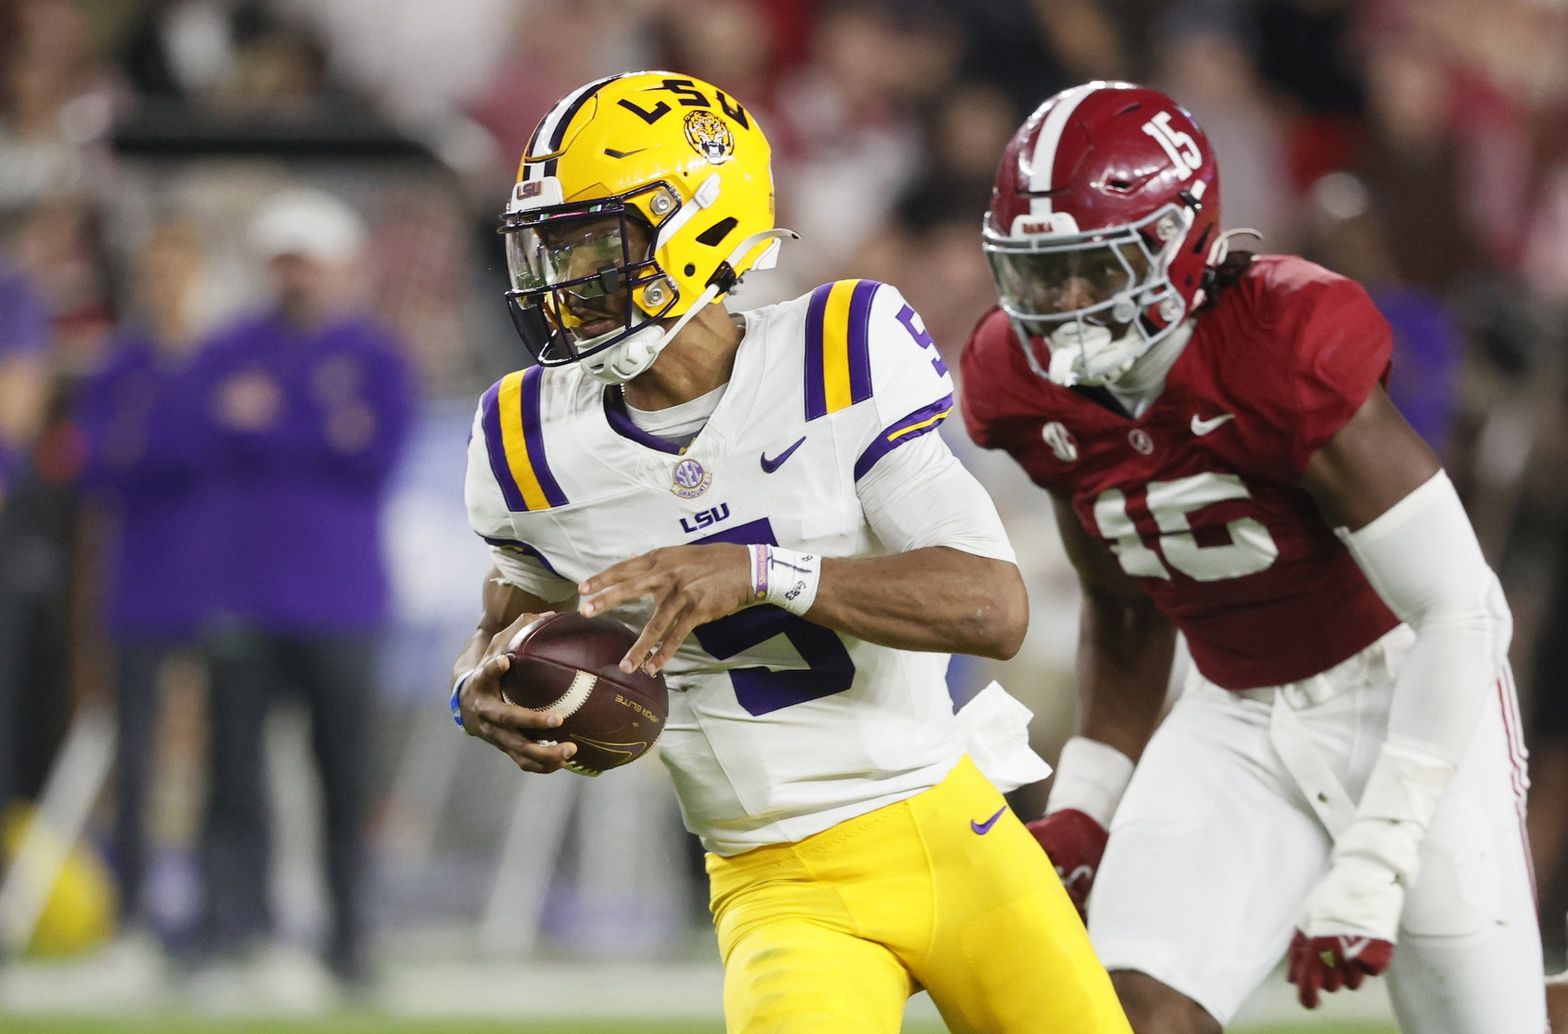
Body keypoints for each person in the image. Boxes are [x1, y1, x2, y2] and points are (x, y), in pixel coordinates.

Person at [451, 71, 1130, 1033]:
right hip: (778, 884)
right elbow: (506, 619)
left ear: (700, 223)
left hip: (952, 832)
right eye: (548, 251)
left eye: (592, 244)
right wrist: (476, 688)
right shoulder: (530, 441)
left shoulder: (835, 351)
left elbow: (994, 608)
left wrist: (766, 572)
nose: (562, 282)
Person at [958, 81, 1544, 1033]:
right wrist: (1087, 804)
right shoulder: (1017, 383)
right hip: (1231, 714)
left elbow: (1462, 609)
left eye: (1094, 267)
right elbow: (1127, 605)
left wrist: (1379, 849)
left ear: (1178, 244)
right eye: (1040, 271)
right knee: (1129, 1013)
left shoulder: (1281, 344)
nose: (1063, 305)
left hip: (1411, 698)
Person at [193, 188, 414, 988]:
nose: (295, 277)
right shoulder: (229, 347)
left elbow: (374, 458)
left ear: (341, 268)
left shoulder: (378, 356)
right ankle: (227, 935)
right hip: (246, 594)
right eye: (283, 261)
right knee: (232, 778)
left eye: (307, 262)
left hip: (340, 602)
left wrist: (269, 424)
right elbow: (205, 436)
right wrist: (317, 428)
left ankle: (350, 942)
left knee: (345, 780)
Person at [74, 218, 212, 942]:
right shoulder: (116, 367)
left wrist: (146, 445)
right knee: (132, 753)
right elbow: (93, 466)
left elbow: (226, 459)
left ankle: (223, 911)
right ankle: (131, 914)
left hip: (217, 582)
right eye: (152, 272)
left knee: (227, 752)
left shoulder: (220, 358)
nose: (164, 287)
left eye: (175, 270)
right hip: (140, 581)